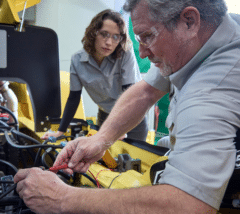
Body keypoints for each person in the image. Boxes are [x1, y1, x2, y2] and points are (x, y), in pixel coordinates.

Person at [14, 0, 240, 213]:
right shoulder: (201, 40)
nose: (141, 52)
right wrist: (100, 139)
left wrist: (60, 198)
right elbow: (146, 91)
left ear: (189, 21)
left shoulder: (214, 86)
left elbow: (188, 204)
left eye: (147, 36)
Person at [41, 9, 148, 142]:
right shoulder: (77, 61)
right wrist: (60, 131)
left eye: (115, 37)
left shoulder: (125, 53)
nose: (109, 42)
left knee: (134, 160)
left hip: (132, 117)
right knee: (105, 160)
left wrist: (121, 127)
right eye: (104, 34)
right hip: (105, 116)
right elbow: (74, 98)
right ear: (93, 33)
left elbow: (129, 93)